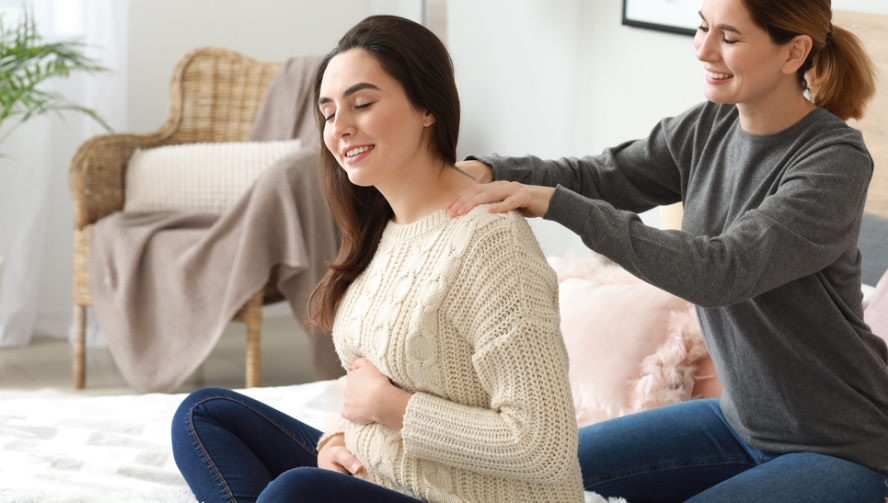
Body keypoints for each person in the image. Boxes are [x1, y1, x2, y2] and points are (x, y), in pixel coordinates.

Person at [447, 0, 888, 502]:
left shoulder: (835, 161)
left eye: (729, 36)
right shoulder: (708, 127)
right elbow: (602, 175)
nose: (703, 49)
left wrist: (560, 207)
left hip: (839, 447)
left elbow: (723, 270)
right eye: (702, 28)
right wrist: (492, 168)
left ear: (795, 52)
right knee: (526, 476)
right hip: (738, 423)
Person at [170, 15, 584, 503]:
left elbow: (544, 446)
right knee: (205, 414)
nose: (339, 128)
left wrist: (394, 409)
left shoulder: (490, 241)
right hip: (383, 476)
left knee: (294, 493)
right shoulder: (381, 229)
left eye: (362, 104)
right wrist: (337, 441)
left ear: (427, 107)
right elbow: (369, 385)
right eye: (327, 113)